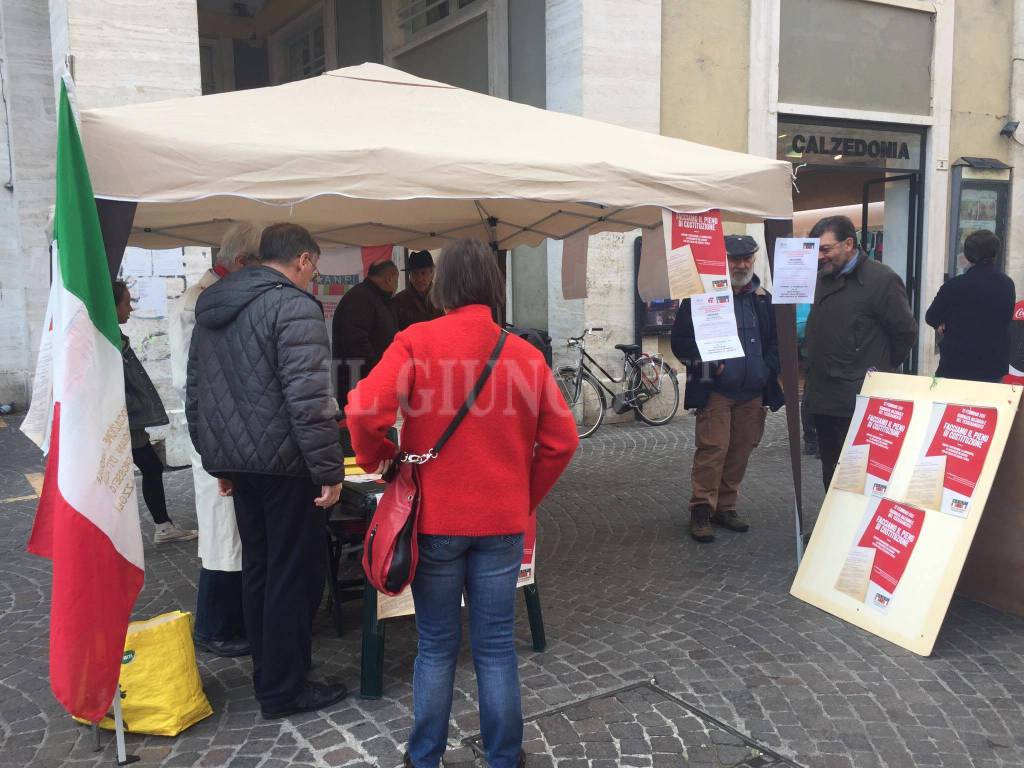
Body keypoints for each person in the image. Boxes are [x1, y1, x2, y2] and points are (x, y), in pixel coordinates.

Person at [345, 238, 579, 768]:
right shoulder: (524, 354)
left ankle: (424, 757)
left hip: (435, 521)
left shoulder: (415, 341)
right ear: (495, 287)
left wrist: (379, 458)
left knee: (435, 646)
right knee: (496, 648)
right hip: (501, 522)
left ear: (443, 285)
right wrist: (524, 496)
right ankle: (503, 758)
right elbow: (563, 441)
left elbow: (362, 411)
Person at [186, 223, 347, 719]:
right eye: (315, 265)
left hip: (243, 463)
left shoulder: (213, 306)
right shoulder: (294, 307)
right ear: (301, 259)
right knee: (292, 577)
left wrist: (220, 461)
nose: (314, 275)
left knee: (259, 569)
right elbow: (311, 401)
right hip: (285, 465)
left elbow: (197, 394)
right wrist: (330, 470)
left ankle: (273, 674)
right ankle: (283, 689)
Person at [169, 222, 262, 658]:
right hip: (214, 433)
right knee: (222, 529)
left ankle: (231, 618)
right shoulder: (202, 300)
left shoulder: (213, 295)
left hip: (226, 430)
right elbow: (193, 378)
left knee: (230, 530)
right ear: (242, 263)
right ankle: (215, 626)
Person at [670, 235, 784, 543]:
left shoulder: (764, 298)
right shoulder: (700, 297)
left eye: (748, 258)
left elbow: (775, 341)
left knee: (741, 450)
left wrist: (767, 367)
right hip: (717, 390)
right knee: (713, 449)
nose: (742, 264)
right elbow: (680, 343)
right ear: (723, 261)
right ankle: (702, 510)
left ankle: (726, 505)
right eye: (735, 259)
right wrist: (709, 365)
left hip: (753, 390)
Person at [804, 216, 918, 489]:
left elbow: (905, 332)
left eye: (826, 249)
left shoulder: (882, 279)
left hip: (859, 395)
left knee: (861, 475)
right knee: (831, 468)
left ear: (848, 244)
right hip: (823, 395)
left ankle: (855, 528)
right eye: (816, 250)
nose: (820, 256)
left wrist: (878, 367)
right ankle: (833, 527)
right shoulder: (821, 278)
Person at [113, 281, 198, 545]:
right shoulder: (108, 342)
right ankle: (155, 527)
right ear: (112, 305)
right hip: (123, 422)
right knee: (144, 468)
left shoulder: (115, 338)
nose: (130, 308)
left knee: (148, 467)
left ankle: (161, 526)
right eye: (126, 302)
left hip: (128, 421)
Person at [925, 229, 1016, 383]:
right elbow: (1006, 317)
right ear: (995, 254)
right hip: (992, 366)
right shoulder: (1007, 284)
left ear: (968, 255)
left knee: (951, 405)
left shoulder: (954, 285)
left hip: (956, 365)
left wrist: (942, 324)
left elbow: (931, 317)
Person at [331, 258, 399, 407]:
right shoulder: (360, 299)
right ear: (390, 277)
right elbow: (356, 344)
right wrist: (381, 373)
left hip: (369, 385)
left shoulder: (377, 299)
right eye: (397, 279)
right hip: (358, 387)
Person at [393, 250, 444, 330]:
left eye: (423, 273)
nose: (419, 279)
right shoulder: (399, 301)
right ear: (409, 275)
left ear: (432, 273)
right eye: (414, 273)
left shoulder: (443, 298)